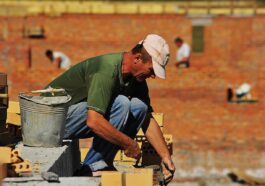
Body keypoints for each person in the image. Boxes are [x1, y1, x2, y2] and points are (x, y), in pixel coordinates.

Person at [44, 34, 175, 183]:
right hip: (50, 121)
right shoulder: (106, 70)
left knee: (140, 107)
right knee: (121, 103)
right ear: (137, 58)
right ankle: (93, 167)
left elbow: (146, 118)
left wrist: (166, 158)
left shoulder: (136, 78)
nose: (152, 76)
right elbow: (93, 121)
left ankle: (101, 163)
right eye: (151, 70)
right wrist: (128, 143)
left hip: (73, 119)